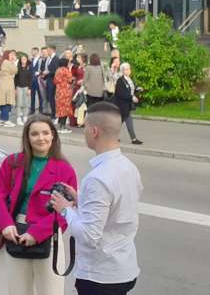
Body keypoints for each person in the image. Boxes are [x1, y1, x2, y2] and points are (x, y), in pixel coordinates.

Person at [50, 102, 143, 295]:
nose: (84, 132)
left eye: (85, 127)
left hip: (100, 276)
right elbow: (116, 209)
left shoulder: (98, 178)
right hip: (124, 267)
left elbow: (89, 236)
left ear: (94, 131)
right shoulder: (129, 167)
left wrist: (65, 209)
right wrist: (80, 199)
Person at [0, 115, 77, 295]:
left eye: (45, 133)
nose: (41, 138)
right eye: (35, 134)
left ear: (53, 135)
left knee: (51, 292)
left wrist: (37, 233)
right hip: (16, 233)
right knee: (18, 291)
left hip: (49, 236)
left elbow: (66, 211)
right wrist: (5, 224)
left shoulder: (64, 169)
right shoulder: (13, 163)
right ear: (27, 137)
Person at [110, 63, 143, 145]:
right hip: (121, 105)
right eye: (126, 69)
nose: (128, 71)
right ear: (122, 71)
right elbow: (121, 93)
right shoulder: (120, 81)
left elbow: (131, 89)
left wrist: (137, 89)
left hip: (127, 105)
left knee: (120, 122)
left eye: (129, 69)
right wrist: (132, 97)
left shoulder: (130, 79)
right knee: (127, 120)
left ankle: (112, 137)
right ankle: (133, 139)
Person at [0, 50, 18, 128]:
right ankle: (6, 120)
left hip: (1, 84)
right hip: (7, 85)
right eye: (11, 55)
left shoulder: (2, 62)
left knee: (3, 102)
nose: (13, 56)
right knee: (7, 102)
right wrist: (14, 62)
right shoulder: (7, 62)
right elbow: (15, 70)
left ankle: (2, 120)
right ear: (7, 55)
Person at [54, 58, 74, 133]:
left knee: (60, 107)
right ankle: (63, 126)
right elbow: (70, 80)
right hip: (65, 91)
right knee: (65, 108)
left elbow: (55, 81)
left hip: (59, 90)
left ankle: (60, 124)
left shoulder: (58, 70)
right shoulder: (66, 70)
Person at [14, 54, 32, 126]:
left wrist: (29, 88)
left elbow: (30, 79)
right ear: (20, 60)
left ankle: (25, 117)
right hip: (19, 87)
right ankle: (18, 118)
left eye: (25, 59)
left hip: (26, 87)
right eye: (22, 59)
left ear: (27, 60)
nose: (23, 60)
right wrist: (15, 88)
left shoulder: (29, 67)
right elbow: (15, 79)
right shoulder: (17, 68)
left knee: (26, 103)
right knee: (19, 103)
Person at [44, 46, 58, 117]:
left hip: (53, 82)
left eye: (48, 50)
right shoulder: (50, 58)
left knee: (52, 98)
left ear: (52, 50)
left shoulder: (56, 59)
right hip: (49, 80)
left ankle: (54, 113)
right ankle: (52, 112)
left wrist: (48, 72)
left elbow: (56, 71)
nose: (47, 52)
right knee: (50, 98)